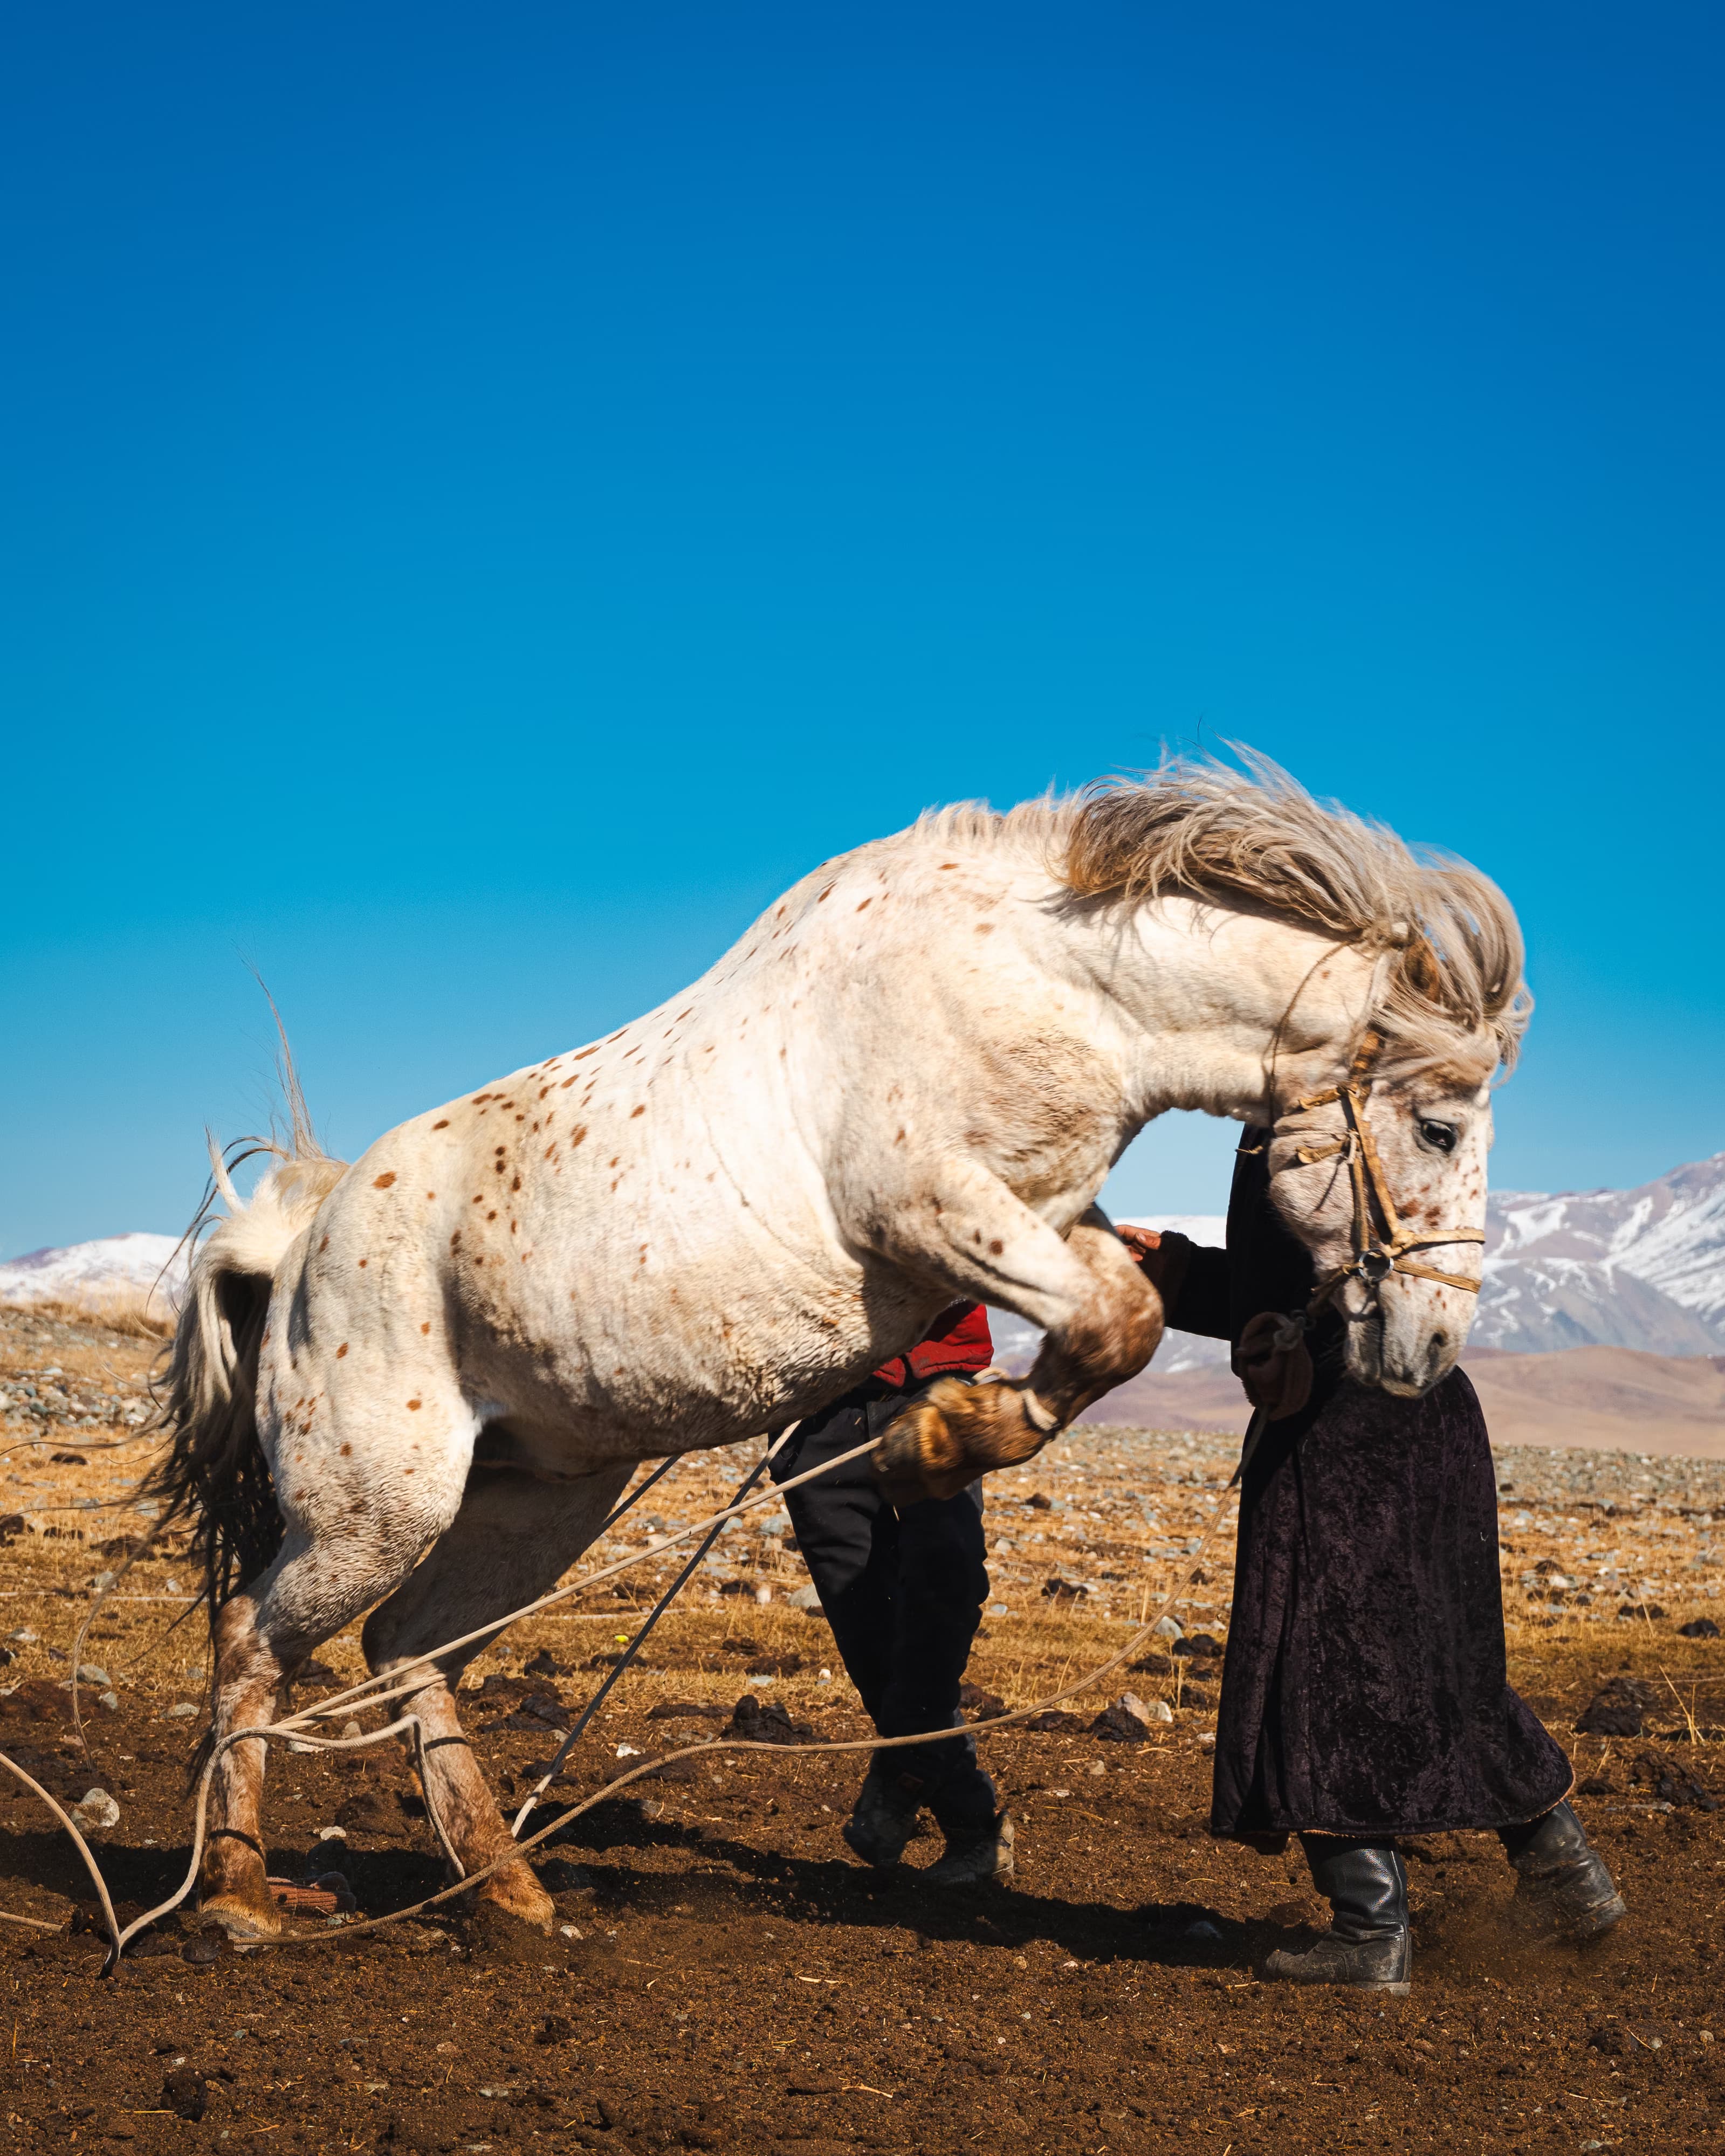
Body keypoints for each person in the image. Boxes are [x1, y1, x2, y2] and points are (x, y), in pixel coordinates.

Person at [1122, 1136, 1624, 1993]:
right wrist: (1171, 1273)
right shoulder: (1319, 1109)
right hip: (1410, 1405)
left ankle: (1367, 1925)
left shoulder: (1319, 1110)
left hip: (1346, 1419)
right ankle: (1561, 1872)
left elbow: (1344, 1283)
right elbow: (1293, 1287)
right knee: (1432, 1665)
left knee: (1312, 1660)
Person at [769, 1301, 1011, 1885]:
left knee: (948, 1580)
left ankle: (907, 1775)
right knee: (868, 1634)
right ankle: (970, 1824)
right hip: (816, 1410)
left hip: (935, 1393)